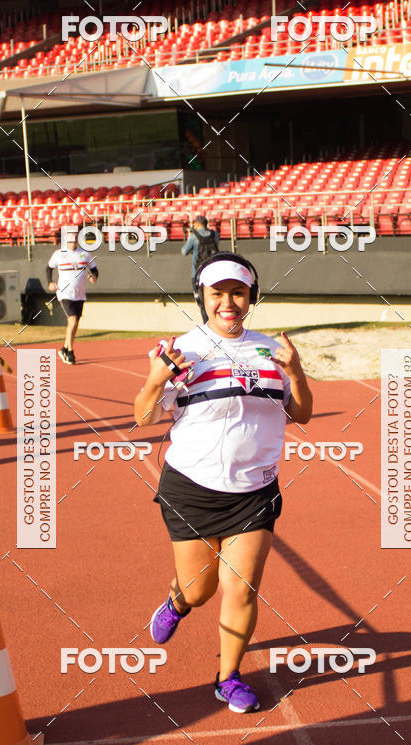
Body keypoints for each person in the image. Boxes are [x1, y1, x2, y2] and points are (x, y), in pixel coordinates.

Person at [134, 252, 313, 713]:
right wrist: (157, 379)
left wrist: (295, 373)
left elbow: (303, 413)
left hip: (254, 492)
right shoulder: (182, 350)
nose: (228, 302)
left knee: (242, 587)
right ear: (203, 298)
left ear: (251, 296)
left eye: (237, 292)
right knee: (200, 589)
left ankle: (228, 677)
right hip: (192, 489)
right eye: (218, 293)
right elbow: (142, 415)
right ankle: (177, 602)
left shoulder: (272, 351)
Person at [47, 231, 98, 365]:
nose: (72, 243)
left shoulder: (84, 254)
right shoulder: (59, 254)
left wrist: (94, 277)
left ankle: (64, 347)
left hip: (79, 293)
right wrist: (50, 282)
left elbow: (94, 269)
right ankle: (70, 351)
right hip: (64, 293)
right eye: (70, 241)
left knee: (75, 324)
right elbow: (49, 268)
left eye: (74, 241)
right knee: (73, 320)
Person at [181, 214, 219, 290]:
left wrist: (190, 239)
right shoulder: (215, 234)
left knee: (199, 296)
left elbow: (184, 252)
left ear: (197, 224)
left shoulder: (193, 236)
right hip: (213, 270)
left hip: (197, 272)